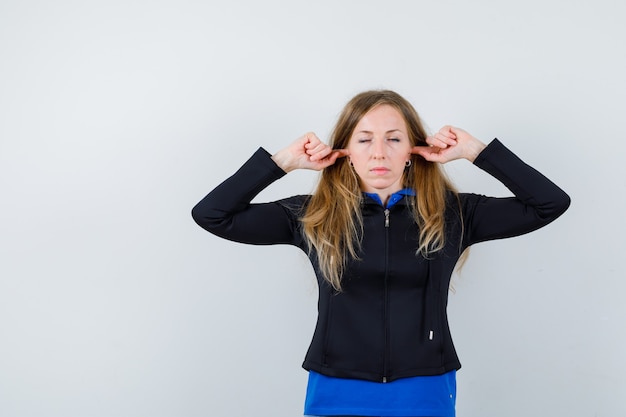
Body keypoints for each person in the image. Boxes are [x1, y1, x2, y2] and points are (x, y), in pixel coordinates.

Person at [191, 90, 570, 417]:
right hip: (337, 389)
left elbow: (549, 203)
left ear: (413, 150)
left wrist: (476, 152)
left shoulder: (454, 213)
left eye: (393, 139)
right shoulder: (312, 215)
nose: (378, 153)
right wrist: (282, 163)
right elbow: (212, 214)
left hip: (424, 389)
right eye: (364, 139)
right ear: (345, 151)